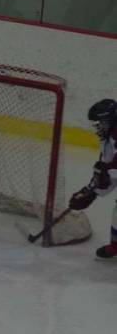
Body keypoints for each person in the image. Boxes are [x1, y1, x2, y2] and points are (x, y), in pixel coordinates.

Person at [68, 98, 117, 258]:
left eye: (100, 122)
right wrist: (90, 191)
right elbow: (105, 170)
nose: (97, 126)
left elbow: (111, 171)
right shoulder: (108, 139)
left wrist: (106, 173)